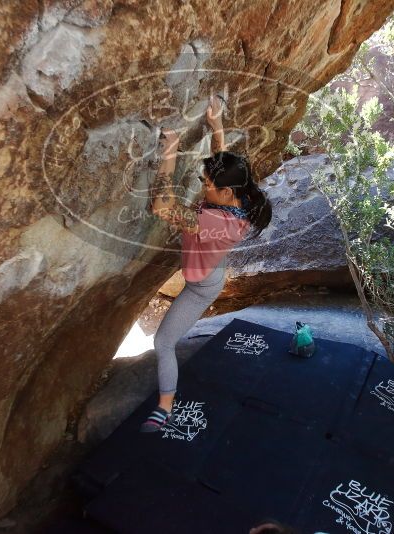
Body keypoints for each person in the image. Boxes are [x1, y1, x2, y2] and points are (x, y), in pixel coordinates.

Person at [141, 94, 272, 432]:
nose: (203, 186)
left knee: (163, 342)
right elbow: (220, 165)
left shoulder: (220, 224)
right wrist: (217, 125)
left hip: (202, 287)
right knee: (165, 340)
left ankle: (164, 407)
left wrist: (170, 149)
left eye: (207, 185)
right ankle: (165, 404)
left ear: (226, 194)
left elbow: (161, 207)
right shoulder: (236, 190)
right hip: (205, 269)